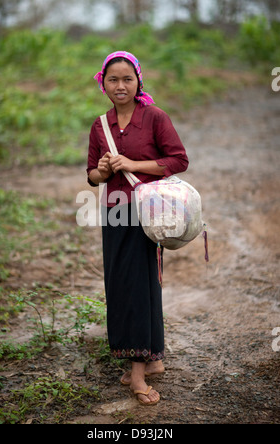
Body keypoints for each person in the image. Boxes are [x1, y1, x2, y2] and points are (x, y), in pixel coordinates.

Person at [87, 51, 188, 406]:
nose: (120, 85)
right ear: (103, 83)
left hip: (150, 213)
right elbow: (91, 177)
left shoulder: (155, 117)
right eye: (112, 79)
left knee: (144, 284)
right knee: (122, 285)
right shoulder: (100, 125)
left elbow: (179, 160)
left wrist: (132, 163)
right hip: (116, 215)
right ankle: (151, 359)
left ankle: (138, 375)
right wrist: (102, 170)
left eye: (127, 79)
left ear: (138, 81)